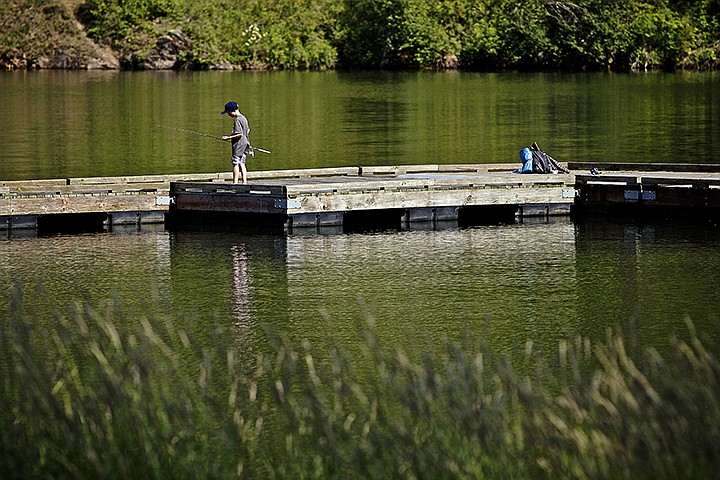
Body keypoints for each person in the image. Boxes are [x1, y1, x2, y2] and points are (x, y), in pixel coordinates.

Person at [220, 101, 251, 184]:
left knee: (235, 163)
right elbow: (247, 130)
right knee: (242, 163)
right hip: (245, 144)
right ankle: (244, 182)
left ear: (232, 111)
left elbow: (239, 134)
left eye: (228, 112)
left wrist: (228, 138)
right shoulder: (244, 118)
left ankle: (235, 183)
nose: (228, 115)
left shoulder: (237, 120)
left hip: (238, 145)